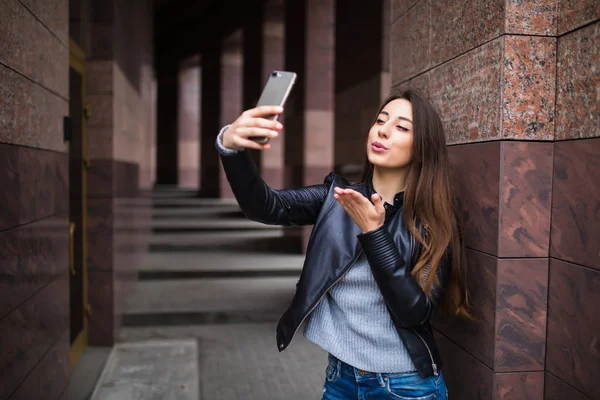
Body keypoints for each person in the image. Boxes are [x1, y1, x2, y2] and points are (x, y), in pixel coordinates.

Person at [215, 89, 470, 400]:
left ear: (421, 148)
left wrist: (375, 234)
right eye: (380, 120)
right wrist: (231, 149)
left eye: (402, 127)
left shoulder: (431, 221)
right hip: (341, 378)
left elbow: (415, 314)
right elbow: (266, 207)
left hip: (405, 386)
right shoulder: (338, 198)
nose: (383, 130)